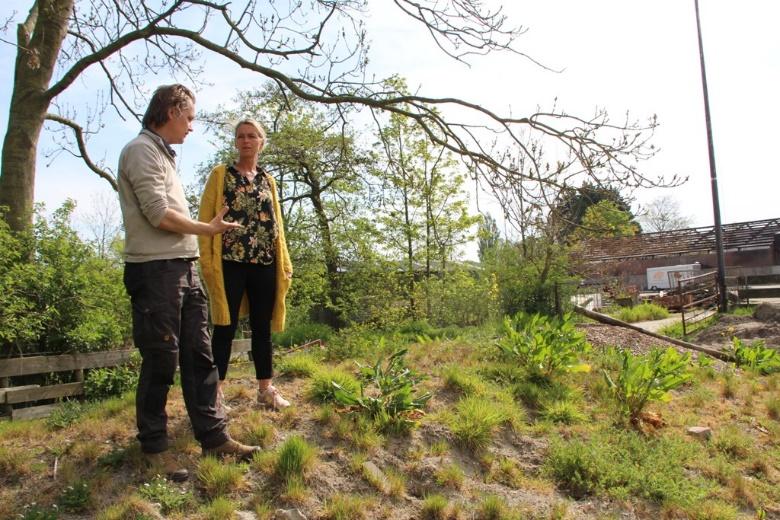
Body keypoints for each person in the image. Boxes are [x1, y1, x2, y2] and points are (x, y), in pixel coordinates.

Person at [118, 84, 261, 477]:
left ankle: (215, 438)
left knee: (200, 356)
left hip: (184, 267)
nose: (192, 127)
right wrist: (207, 228)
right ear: (171, 111)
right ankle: (154, 448)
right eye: (190, 117)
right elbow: (157, 214)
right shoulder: (140, 151)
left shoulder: (164, 155)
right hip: (155, 270)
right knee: (161, 359)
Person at [198, 118, 293, 410]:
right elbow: (205, 218)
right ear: (235, 142)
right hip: (230, 260)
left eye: (252, 136)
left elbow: (277, 224)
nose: (246, 141)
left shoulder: (268, 180)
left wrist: (284, 260)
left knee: (262, 327)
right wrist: (207, 256)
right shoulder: (220, 175)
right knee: (224, 326)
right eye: (241, 136)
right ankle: (216, 393)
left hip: (264, 261)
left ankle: (266, 389)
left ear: (261, 142)